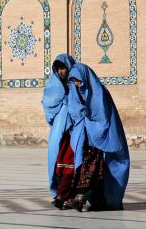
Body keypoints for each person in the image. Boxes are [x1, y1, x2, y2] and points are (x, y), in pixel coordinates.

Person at [67, 63, 130, 211]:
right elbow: (76, 112)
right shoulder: (78, 92)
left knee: (96, 171)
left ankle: (83, 198)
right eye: (74, 80)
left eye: (78, 80)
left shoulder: (99, 93)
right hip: (88, 140)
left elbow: (102, 118)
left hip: (103, 139)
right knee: (89, 171)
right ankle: (84, 198)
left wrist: (94, 130)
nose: (76, 83)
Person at [41, 54, 75, 209]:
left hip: (74, 131)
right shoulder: (54, 85)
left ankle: (66, 196)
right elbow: (48, 103)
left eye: (64, 68)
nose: (61, 72)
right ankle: (60, 194)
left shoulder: (76, 83)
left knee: (72, 163)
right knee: (59, 162)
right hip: (59, 133)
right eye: (59, 69)